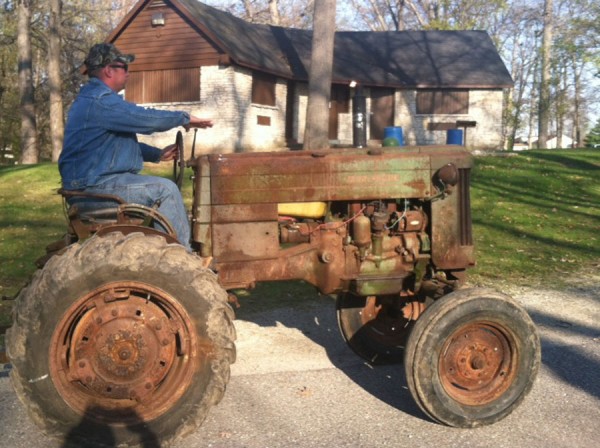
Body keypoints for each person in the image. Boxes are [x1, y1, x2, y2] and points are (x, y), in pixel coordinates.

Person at [59, 43, 212, 250]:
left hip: (89, 184)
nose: (129, 74)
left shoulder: (94, 100)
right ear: (109, 70)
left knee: (163, 188)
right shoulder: (100, 101)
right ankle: (182, 257)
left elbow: (112, 146)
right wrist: (182, 118)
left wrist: (157, 154)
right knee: (165, 189)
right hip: (93, 189)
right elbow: (143, 118)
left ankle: (174, 252)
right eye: (125, 68)